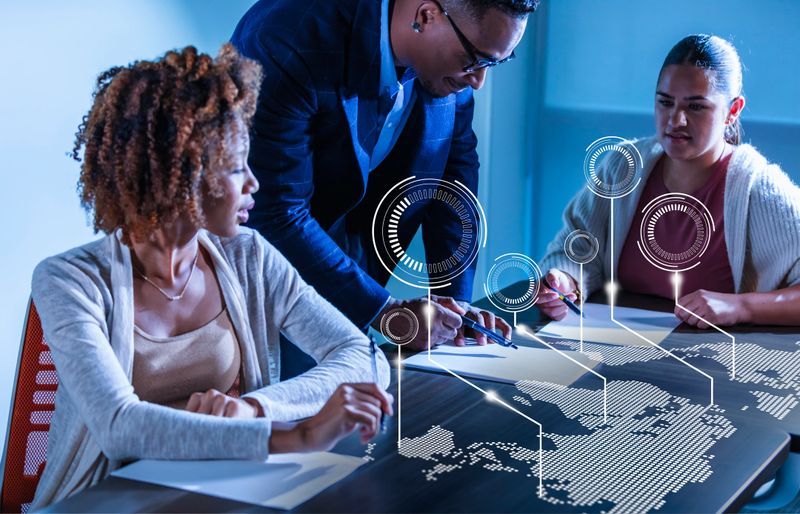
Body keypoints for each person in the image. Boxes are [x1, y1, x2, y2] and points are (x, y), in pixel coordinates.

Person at [30, 44, 392, 509]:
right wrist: (295, 434)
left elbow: (363, 357)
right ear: (182, 176)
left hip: (218, 495)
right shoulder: (67, 280)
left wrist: (254, 409)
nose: (253, 183)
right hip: (102, 501)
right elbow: (120, 427)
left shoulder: (250, 257)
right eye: (237, 167)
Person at [230, 0, 539, 353]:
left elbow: (455, 176)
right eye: (477, 59)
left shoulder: (454, 61)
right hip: (264, 291)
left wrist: (455, 306)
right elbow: (274, 210)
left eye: (495, 62)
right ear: (427, 15)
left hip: (351, 285)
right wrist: (385, 311)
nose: (479, 81)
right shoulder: (287, 38)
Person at [537, 34, 800, 327]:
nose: (676, 120)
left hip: (712, 363)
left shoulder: (760, 189)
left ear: (732, 111)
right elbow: (576, 248)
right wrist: (564, 281)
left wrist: (741, 307)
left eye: (696, 106)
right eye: (665, 102)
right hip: (616, 348)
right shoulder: (623, 166)